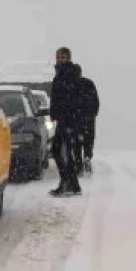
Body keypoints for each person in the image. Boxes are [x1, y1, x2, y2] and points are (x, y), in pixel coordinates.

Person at [49, 47, 83, 196]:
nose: (59, 60)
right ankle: (73, 185)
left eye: (62, 57)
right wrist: (53, 113)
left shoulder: (70, 74)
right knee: (64, 152)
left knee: (59, 151)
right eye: (58, 57)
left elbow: (71, 98)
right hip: (63, 119)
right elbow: (56, 97)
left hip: (69, 120)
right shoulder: (60, 74)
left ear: (68, 58)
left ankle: (66, 183)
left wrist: (67, 115)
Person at [77, 66, 99, 174]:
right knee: (88, 140)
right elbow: (96, 100)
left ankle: (78, 163)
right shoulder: (89, 83)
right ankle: (87, 157)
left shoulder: (70, 84)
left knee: (76, 142)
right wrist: (93, 114)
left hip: (76, 119)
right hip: (88, 118)